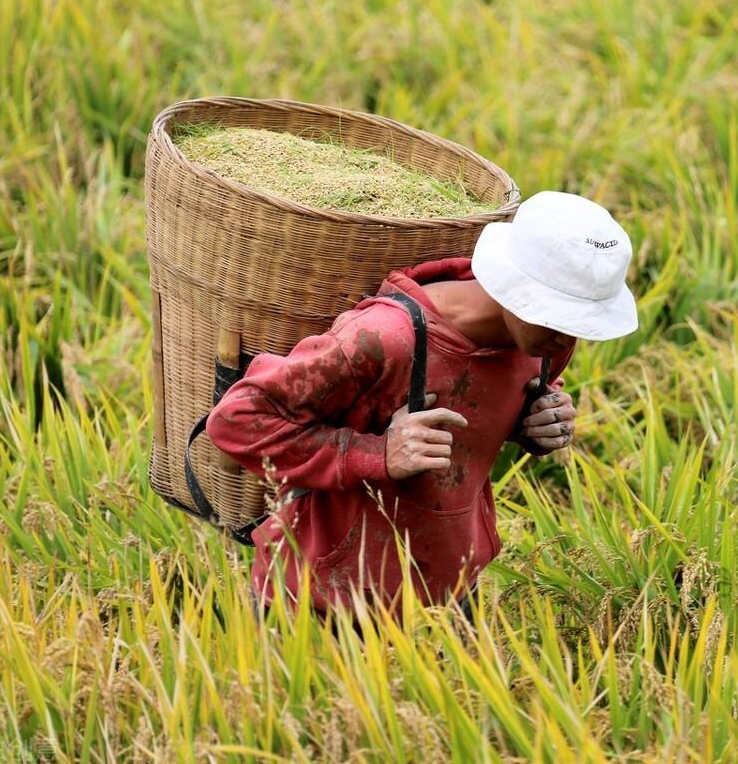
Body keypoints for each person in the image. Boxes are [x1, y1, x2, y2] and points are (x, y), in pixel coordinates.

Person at [205, 190, 639, 632]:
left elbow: (491, 406)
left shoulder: (542, 344)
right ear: (513, 285)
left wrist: (533, 424)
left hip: (449, 596)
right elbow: (237, 419)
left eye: (578, 324)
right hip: (319, 604)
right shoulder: (384, 338)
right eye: (555, 317)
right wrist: (377, 453)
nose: (567, 340)